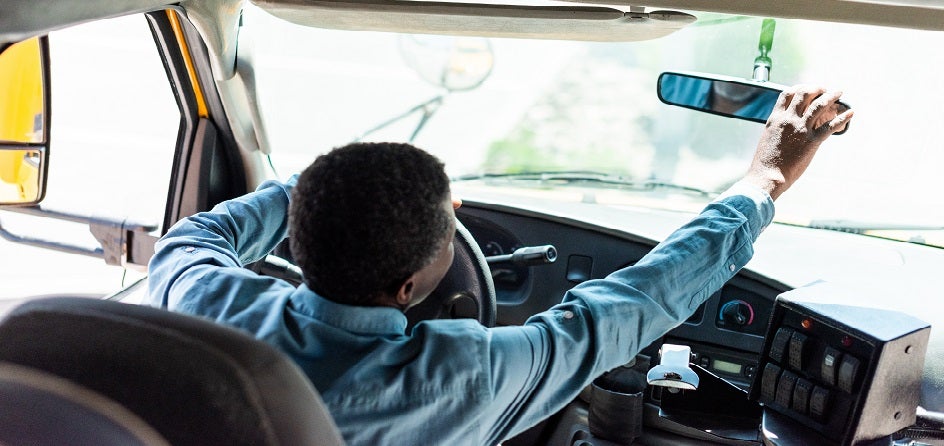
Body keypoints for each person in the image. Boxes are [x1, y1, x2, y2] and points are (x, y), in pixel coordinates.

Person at [148, 85, 853, 445]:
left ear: (299, 238)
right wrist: (763, 180)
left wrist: (340, 186)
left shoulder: (203, 301)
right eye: (447, 236)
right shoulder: (460, 377)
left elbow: (193, 236)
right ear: (411, 288)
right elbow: (633, 305)